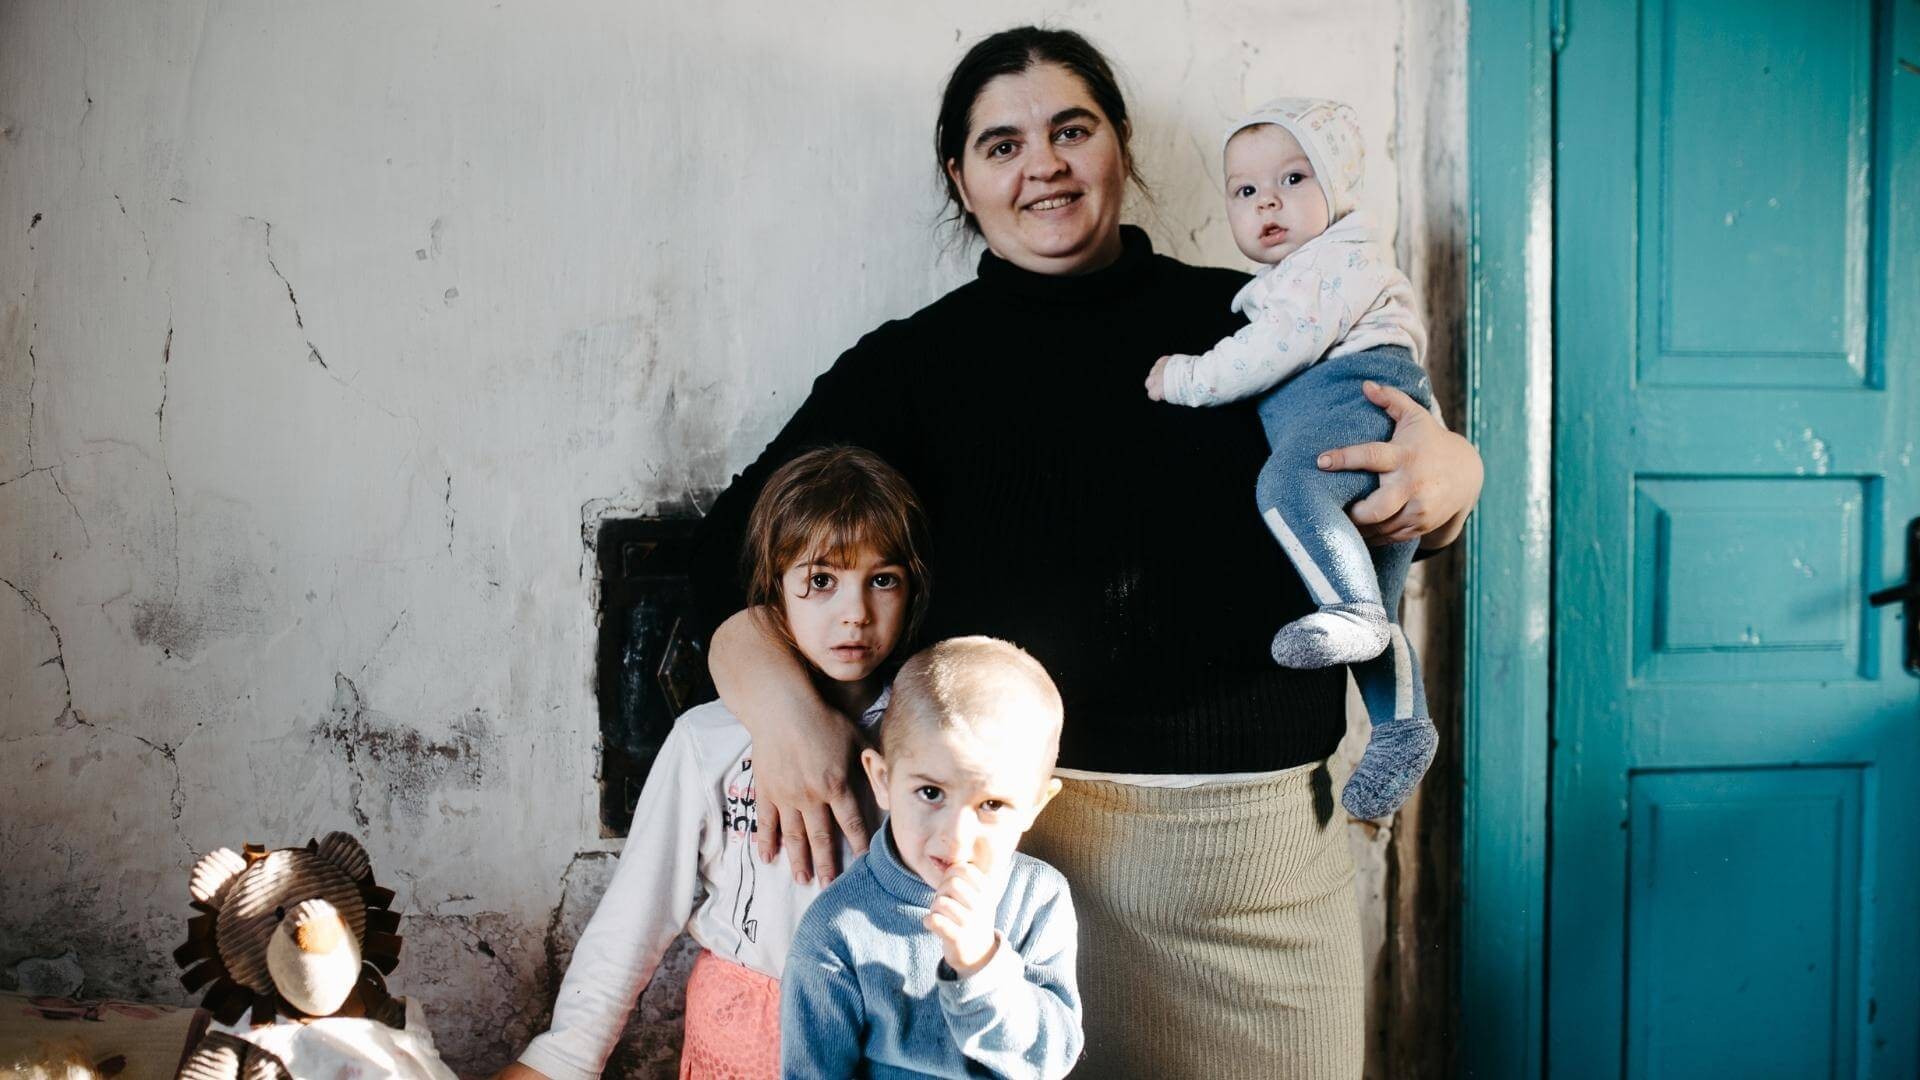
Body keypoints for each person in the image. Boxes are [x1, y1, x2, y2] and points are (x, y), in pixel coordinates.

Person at [690, 26, 1484, 1078]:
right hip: (1012, 886)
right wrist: (786, 714)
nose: (1044, 165)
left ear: (1120, 148)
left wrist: (1456, 480)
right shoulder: (915, 366)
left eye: (1073, 130)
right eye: (1002, 144)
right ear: (959, 179)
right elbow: (715, 556)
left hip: (1264, 882)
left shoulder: (1255, 314)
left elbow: (1377, 467)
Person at [500, 447, 931, 1080]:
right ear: (774, 593)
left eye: (883, 579)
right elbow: (637, 916)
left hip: (888, 1038)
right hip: (744, 1038)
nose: (856, 612)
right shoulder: (709, 741)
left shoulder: (931, 738)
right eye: (820, 581)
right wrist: (563, 1057)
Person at [1144, 98, 1437, 820]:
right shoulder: (1304, 272)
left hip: (1354, 395)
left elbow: (1273, 350)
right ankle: (1402, 729)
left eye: (1296, 178)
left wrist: (1185, 377)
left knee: (1285, 487)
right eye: (1245, 191)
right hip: (1368, 404)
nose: (1268, 201)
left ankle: (1350, 609)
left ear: (1340, 186)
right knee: (1381, 604)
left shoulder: (1328, 266)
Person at [781, 637, 1080, 1079]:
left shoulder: (1039, 898)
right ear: (882, 780)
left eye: (992, 805)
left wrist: (981, 966)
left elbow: (1051, 1061)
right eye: (931, 793)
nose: (956, 838)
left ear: (1036, 805)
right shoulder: (836, 930)